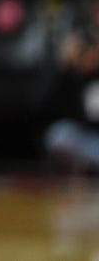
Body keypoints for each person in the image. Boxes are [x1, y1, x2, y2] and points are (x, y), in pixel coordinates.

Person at [41, 23, 99, 173]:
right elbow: (46, 105)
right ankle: (79, 169)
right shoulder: (71, 78)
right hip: (81, 136)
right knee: (58, 134)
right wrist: (65, 66)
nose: (90, 58)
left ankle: (89, 168)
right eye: (84, 53)